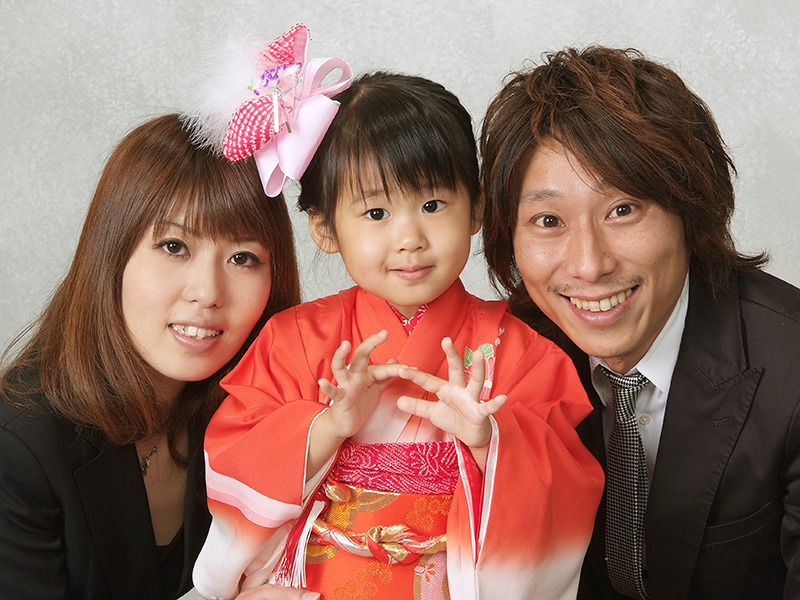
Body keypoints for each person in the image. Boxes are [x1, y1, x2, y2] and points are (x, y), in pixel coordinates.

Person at [187, 42, 605, 598]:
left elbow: (569, 484)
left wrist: (491, 440)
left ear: (477, 207)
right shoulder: (295, 341)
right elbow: (234, 454)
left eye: (432, 205)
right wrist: (328, 427)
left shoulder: (526, 353)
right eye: (376, 212)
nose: (409, 238)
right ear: (324, 228)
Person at [480, 45, 800, 600]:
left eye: (622, 210)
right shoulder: (500, 359)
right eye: (548, 220)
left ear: (690, 209)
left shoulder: (791, 369)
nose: (589, 266)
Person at [0, 113, 316, 600]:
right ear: (110, 254)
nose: (208, 292)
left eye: (243, 258)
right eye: (174, 246)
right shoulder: (19, 447)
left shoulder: (263, 415)